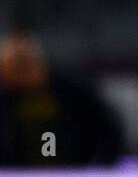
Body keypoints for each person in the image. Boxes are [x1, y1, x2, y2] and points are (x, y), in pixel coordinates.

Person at [0, 28, 123, 167]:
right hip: (19, 176)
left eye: (15, 70)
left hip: (71, 176)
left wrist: (101, 166)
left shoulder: (75, 92)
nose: (9, 78)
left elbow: (109, 130)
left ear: (34, 64)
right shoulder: (6, 97)